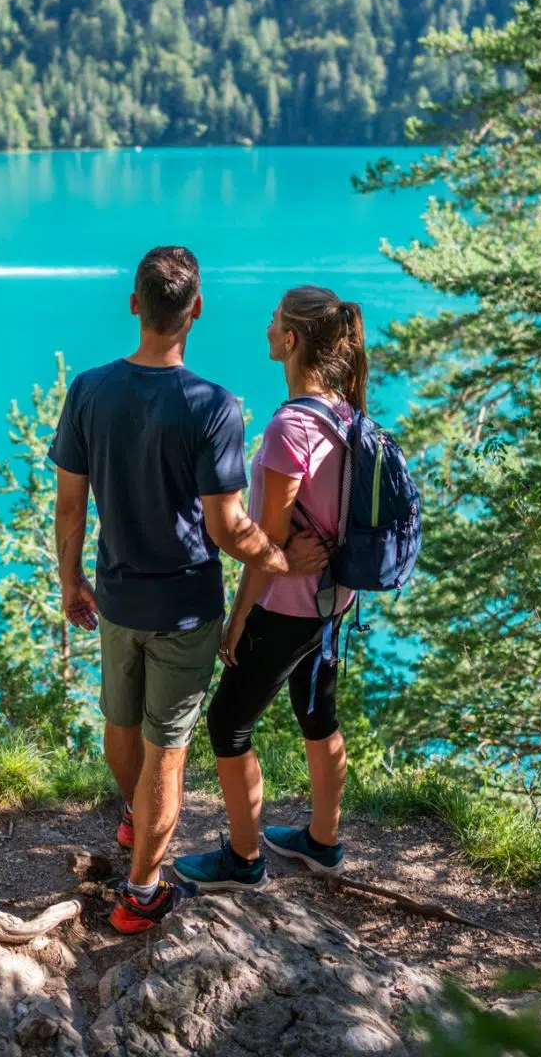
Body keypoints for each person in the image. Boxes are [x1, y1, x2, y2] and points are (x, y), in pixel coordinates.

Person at [49, 247, 327, 934]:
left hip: (115, 597)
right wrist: (285, 563)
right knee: (164, 753)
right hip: (185, 609)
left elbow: (69, 505)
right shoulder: (213, 406)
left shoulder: (88, 390)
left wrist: (71, 580)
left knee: (121, 729)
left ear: (135, 304)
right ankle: (141, 893)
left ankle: (131, 819)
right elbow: (229, 528)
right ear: (196, 310)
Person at [173, 285, 366, 891]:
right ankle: (323, 842)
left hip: (286, 608)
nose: (265, 328)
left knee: (228, 722)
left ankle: (244, 859)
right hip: (334, 602)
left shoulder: (290, 428)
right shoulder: (347, 413)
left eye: (274, 321)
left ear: (291, 341)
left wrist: (236, 621)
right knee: (318, 714)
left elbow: (267, 548)